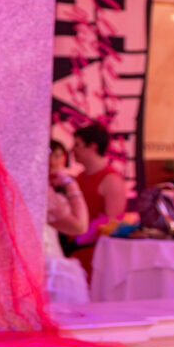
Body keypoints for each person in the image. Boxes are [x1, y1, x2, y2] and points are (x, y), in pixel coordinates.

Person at [70, 122, 126, 277]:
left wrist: (78, 240)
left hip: (96, 257)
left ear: (93, 147)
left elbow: (112, 222)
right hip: (75, 253)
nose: (72, 149)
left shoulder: (111, 180)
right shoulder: (80, 177)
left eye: (77, 145)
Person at [44, 140, 89, 303]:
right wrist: (71, 185)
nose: (52, 161)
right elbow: (79, 225)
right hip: (46, 265)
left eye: (57, 156)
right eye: (49, 155)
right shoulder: (42, 191)